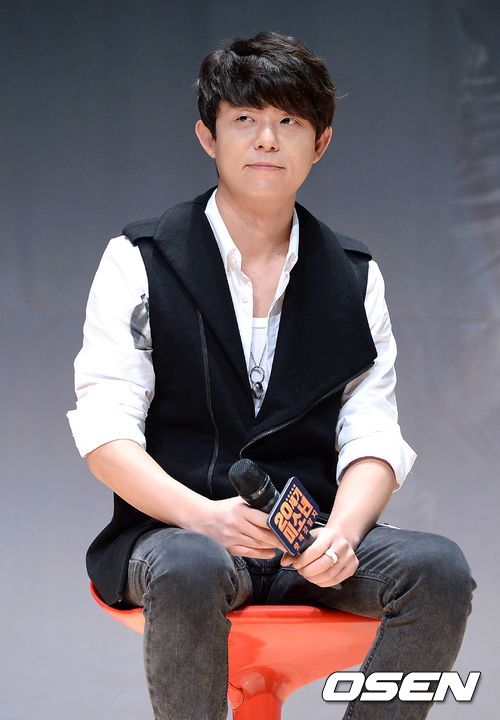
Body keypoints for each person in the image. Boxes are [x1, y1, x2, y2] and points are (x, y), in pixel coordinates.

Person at [67, 31, 476, 720]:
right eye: (245, 119)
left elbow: (372, 430)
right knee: (191, 564)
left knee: (438, 570)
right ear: (208, 136)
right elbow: (106, 431)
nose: (266, 139)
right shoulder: (139, 259)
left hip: (307, 542)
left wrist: (341, 533)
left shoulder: (354, 277)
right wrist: (203, 517)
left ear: (320, 143)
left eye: (289, 121)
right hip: (178, 535)